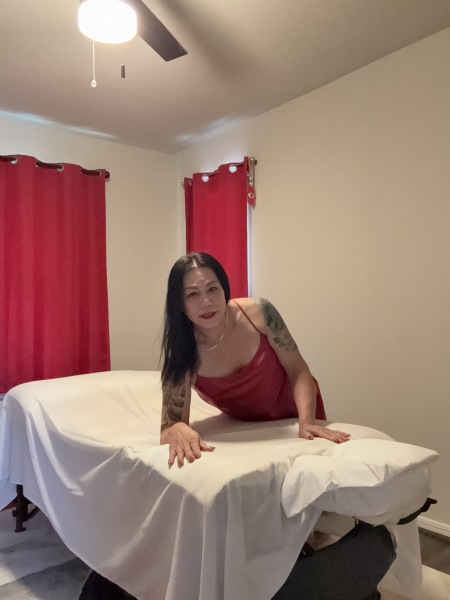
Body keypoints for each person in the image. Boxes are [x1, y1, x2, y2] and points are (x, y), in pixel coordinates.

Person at [160, 252, 350, 467]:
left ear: (224, 289)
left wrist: (307, 422)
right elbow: (169, 427)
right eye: (192, 294)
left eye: (213, 289)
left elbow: (298, 370)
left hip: (298, 413)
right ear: (179, 303)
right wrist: (179, 429)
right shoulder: (182, 350)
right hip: (247, 426)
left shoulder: (259, 313)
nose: (206, 302)